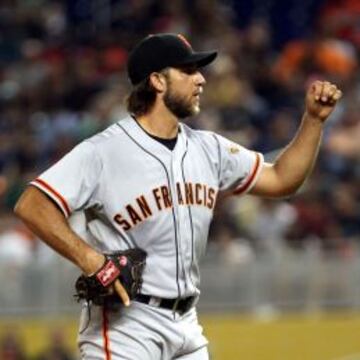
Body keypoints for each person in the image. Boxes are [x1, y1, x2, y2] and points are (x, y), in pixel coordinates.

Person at [14, 33, 342, 360]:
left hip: (186, 323)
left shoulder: (209, 148)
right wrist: (90, 260)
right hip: (126, 327)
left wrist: (313, 121)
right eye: (188, 70)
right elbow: (32, 204)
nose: (200, 79)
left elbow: (282, 179)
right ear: (157, 81)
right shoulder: (104, 151)